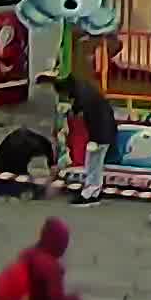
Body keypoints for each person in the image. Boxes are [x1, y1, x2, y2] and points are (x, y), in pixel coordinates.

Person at [56, 70, 118, 202]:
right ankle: (95, 191)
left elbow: (93, 118)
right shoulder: (83, 89)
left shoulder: (84, 96)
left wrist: (94, 139)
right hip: (104, 129)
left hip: (101, 132)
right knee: (96, 163)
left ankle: (88, 193)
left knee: (92, 162)